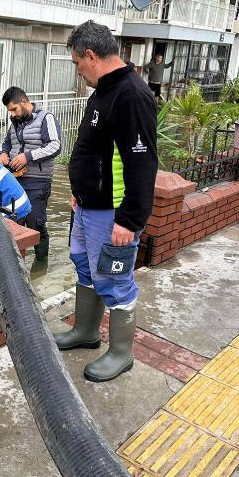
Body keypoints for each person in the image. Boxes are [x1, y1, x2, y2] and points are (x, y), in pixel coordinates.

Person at [54, 21, 158, 383]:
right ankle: (86, 332)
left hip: (111, 211)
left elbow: (142, 163)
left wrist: (129, 221)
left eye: (76, 64)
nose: (77, 71)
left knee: (115, 281)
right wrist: (79, 191)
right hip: (86, 205)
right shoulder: (103, 92)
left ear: (91, 56)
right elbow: (94, 151)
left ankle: (120, 353)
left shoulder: (131, 95)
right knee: (84, 266)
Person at [0, 87, 61, 260]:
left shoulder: (46, 118)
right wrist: (2, 153)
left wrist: (28, 157)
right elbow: (6, 143)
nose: (12, 114)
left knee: (36, 224)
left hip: (38, 182)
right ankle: (17, 266)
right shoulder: (15, 121)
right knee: (13, 223)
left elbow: (55, 146)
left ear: (24, 102)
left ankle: (41, 265)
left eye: (14, 109)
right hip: (14, 180)